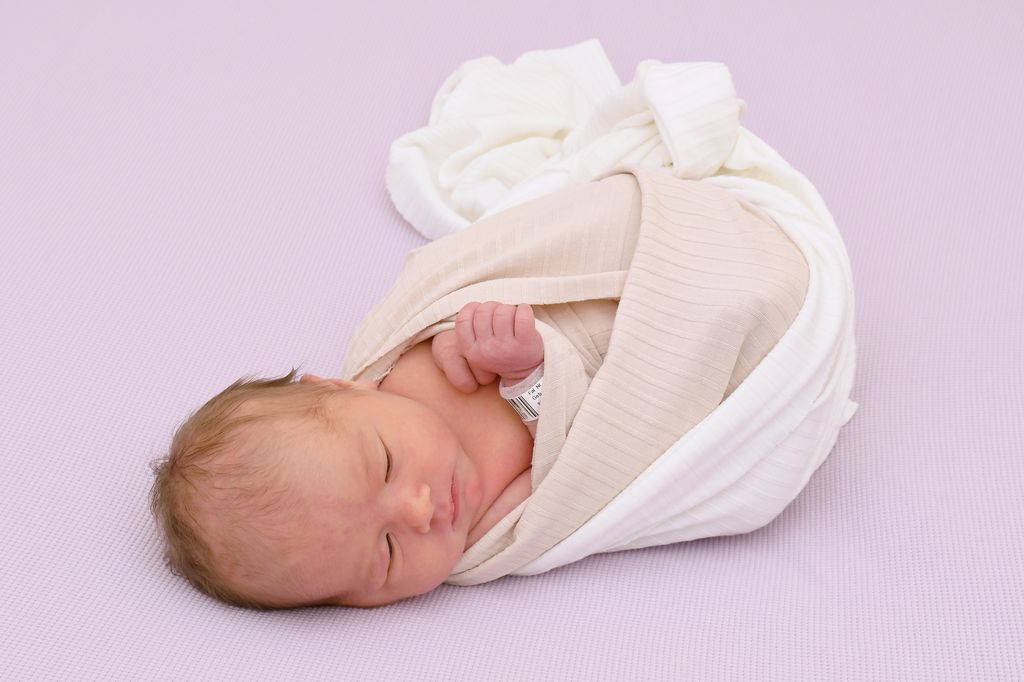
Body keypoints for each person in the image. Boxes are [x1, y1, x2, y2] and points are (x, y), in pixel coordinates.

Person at [149, 301, 546, 609]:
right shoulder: (487, 534)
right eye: (388, 551)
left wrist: (455, 328)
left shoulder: (396, 363)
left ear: (343, 387)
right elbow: (568, 472)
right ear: (354, 603)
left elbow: (444, 292)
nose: (421, 511)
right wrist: (527, 379)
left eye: (387, 464)